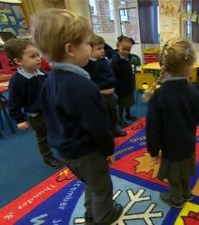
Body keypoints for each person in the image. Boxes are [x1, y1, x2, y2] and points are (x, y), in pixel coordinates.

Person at [31, 9, 122, 224]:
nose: (90, 49)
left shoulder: (49, 80)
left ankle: (91, 212)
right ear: (70, 49)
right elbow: (98, 126)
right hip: (86, 151)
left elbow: (48, 116)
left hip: (64, 150)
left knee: (90, 182)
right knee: (102, 186)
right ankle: (104, 216)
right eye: (87, 44)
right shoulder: (83, 86)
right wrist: (108, 149)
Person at [145, 38, 199, 208]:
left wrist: (153, 150)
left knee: (174, 175)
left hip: (171, 147)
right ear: (189, 65)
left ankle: (176, 199)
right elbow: (196, 118)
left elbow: (152, 128)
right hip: (189, 142)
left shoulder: (159, 95)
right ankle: (187, 194)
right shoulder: (194, 92)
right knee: (184, 171)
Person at [4, 38, 62, 169]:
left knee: (57, 128)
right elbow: (14, 102)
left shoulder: (43, 73)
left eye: (38, 55)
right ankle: (47, 156)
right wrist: (19, 119)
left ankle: (61, 145)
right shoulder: (17, 81)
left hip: (51, 110)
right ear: (18, 61)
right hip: (36, 116)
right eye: (32, 56)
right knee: (42, 137)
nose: (38, 59)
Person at [83, 34, 127, 137]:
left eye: (103, 48)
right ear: (89, 50)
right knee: (104, 116)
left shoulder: (104, 59)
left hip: (111, 94)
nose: (102, 50)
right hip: (101, 95)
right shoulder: (88, 64)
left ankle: (114, 129)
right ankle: (107, 134)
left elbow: (110, 50)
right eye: (99, 49)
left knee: (113, 114)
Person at [110, 35, 137, 127]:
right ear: (118, 47)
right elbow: (112, 75)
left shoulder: (128, 57)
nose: (126, 52)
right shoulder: (115, 60)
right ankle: (120, 119)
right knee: (121, 104)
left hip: (128, 84)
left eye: (128, 50)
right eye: (123, 50)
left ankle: (128, 114)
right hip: (120, 87)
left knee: (129, 101)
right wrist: (115, 87)